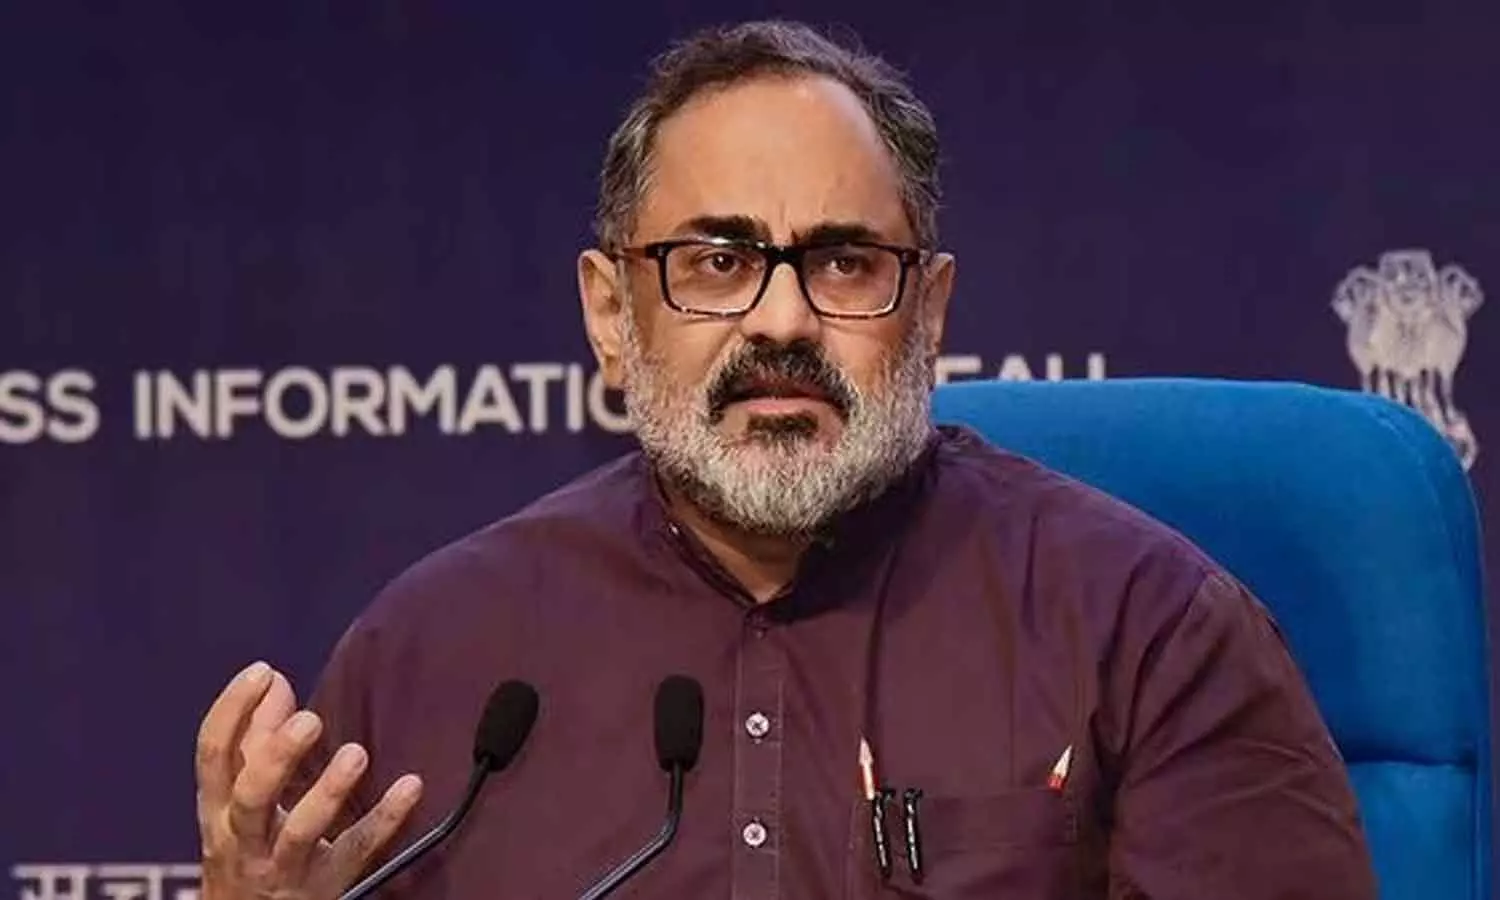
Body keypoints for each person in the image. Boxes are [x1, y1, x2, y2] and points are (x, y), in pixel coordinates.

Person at [193, 18, 1378, 900]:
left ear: (929, 311)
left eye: (843, 263)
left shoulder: (1146, 631)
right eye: (717, 262)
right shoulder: (431, 661)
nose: (781, 320)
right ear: (610, 314)